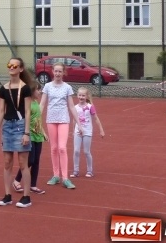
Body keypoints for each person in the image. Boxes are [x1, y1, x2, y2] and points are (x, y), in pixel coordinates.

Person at [0, 57, 35, 208]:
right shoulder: (4, 88)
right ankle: (7, 195)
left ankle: (26, 197)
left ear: (20, 69)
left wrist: (26, 132)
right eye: (9, 64)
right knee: (7, 162)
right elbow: (1, 110)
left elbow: (28, 111)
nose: (11, 67)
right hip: (7, 127)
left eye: (14, 65)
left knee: (23, 163)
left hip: (20, 125)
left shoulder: (25, 88)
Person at [40, 62, 81, 190]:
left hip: (63, 119)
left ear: (63, 73)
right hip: (51, 119)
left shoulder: (67, 87)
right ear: (52, 71)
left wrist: (79, 123)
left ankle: (65, 178)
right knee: (54, 148)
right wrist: (36, 119)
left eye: (60, 71)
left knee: (62, 148)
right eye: (56, 71)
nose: (57, 73)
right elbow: (42, 104)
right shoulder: (47, 86)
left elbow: (71, 106)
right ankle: (55, 175)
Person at [12, 84, 47, 195]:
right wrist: (24, 134)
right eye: (38, 90)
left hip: (38, 135)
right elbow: (22, 121)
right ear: (32, 91)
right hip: (29, 135)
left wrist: (43, 132)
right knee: (30, 160)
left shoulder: (36, 102)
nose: (40, 92)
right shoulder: (27, 104)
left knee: (36, 160)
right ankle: (17, 180)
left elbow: (38, 120)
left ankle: (33, 185)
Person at [71, 87, 105, 178]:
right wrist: (73, 130)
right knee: (76, 151)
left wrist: (101, 130)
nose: (81, 97)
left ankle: (89, 170)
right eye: (79, 95)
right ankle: (76, 170)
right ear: (77, 95)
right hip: (78, 131)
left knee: (86, 151)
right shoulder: (75, 107)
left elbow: (96, 118)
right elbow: (74, 120)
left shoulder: (90, 107)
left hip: (87, 131)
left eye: (83, 95)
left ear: (86, 96)